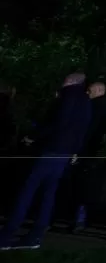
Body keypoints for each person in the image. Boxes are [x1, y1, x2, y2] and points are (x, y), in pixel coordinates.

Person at [0, 73, 92, 251]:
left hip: (52, 150)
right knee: (48, 194)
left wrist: (34, 137)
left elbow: (57, 122)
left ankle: (7, 234)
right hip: (64, 154)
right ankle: (36, 235)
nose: (63, 81)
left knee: (27, 190)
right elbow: (83, 130)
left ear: (72, 82)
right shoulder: (86, 102)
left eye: (66, 79)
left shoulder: (67, 96)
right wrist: (75, 151)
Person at [69, 80, 106, 233]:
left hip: (88, 151)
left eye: (90, 91)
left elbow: (88, 130)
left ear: (100, 91)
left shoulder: (94, 107)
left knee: (81, 185)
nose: (88, 93)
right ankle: (81, 219)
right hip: (95, 153)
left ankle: (78, 219)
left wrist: (78, 150)